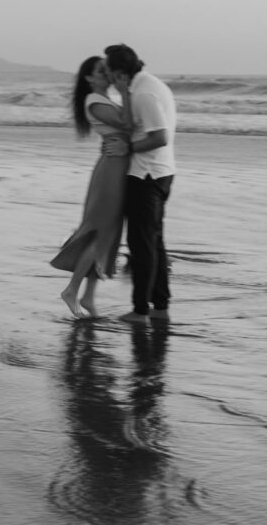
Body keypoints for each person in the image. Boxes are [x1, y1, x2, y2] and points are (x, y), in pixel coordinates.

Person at [50, 55, 132, 318]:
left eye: (106, 69)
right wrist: (126, 92)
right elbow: (127, 124)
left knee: (109, 234)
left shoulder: (104, 100)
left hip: (117, 165)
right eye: (101, 71)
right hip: (111, 170)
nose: (106, 73)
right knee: (99, 233)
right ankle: (72, 290)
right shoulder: (95, 101)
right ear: (89, 78)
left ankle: (88, 297)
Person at [104, 44, 176, 324]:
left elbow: (160, 137)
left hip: (147, 175)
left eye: (109, 72)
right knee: (154, 242)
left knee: (141, 244)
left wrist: (128, 148)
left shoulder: (144, 93)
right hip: (159, 172)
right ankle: (160, 307)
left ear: (120, 72)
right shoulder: (143, 86)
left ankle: (140, 311)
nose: (107, 77)